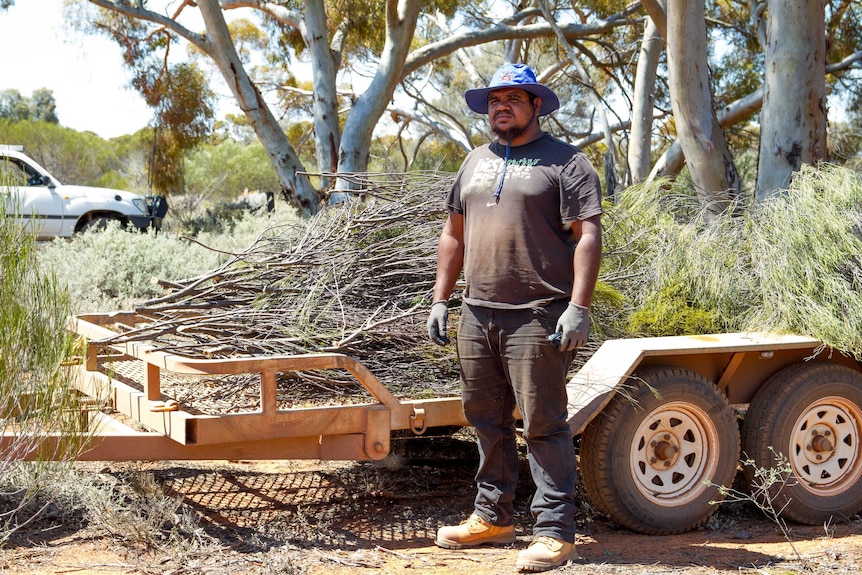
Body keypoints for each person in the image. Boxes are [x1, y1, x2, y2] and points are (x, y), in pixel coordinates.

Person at [426, 63, 603, 572]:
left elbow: (587, 236)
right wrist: (441, 299)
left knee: (544, 424)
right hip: (477, 312)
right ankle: (493, 517)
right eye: (494, 100)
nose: (501, 107)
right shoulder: (474, 162)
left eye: (513, 99)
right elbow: (453, 234)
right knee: (486, 420)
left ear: (536, 105)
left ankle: (554, 534)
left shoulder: (566, 163)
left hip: (538, 314)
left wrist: (578, 307)